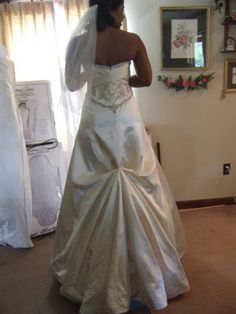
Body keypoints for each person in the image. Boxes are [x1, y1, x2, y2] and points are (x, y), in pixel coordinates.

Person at [51, 1, 190, 313]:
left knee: (90, 187)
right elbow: (147, 79)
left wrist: (97, 77)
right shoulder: (133, 41)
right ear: (114, 10)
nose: (125, 13)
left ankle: (88, 269)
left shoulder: (79, 41)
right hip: (126, 120)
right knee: (138, 178)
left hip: (94, 120)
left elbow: (72, 83)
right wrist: (122, 80)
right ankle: (145, 267)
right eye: (122, 7)